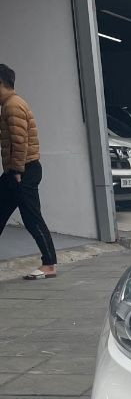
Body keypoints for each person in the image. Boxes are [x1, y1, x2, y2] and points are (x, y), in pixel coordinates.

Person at [0, 64, 57, 279]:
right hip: (18, 170)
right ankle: (49, 263)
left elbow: (19, 141)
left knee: (32, 218)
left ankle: (49, 264)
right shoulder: (11, 104)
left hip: (23, 171)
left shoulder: (12, 106)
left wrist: (16, 170)